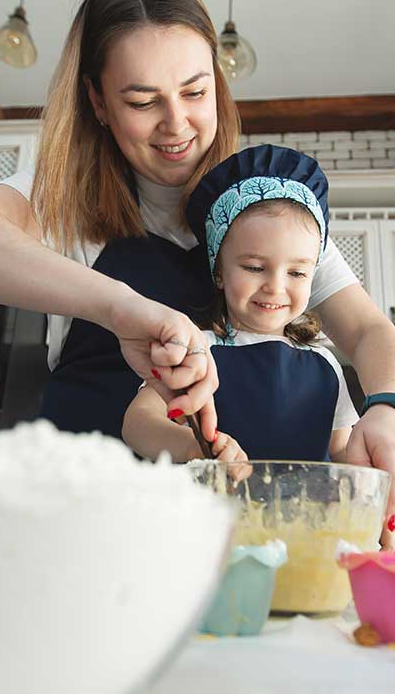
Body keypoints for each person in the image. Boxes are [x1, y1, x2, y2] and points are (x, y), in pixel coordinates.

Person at [0, 0, 395, 549]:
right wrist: (123, 310)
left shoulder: (272, 214)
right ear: (98, 103)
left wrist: (387, 409)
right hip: (82, 527)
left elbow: (370, 330)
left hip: (212, 542)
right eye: (142, 100)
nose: (176, 124)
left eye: (195, 92)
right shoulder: (63, 200)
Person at [123, 145, 358, 466]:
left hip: (304, 515)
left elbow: (341, 451)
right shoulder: (196, 351)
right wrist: (194, 445)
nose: (275, 286)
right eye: (254, 267)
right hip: (211, 514)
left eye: (296, 272)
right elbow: (138, 422)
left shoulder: (326, 366)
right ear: (220, 272)